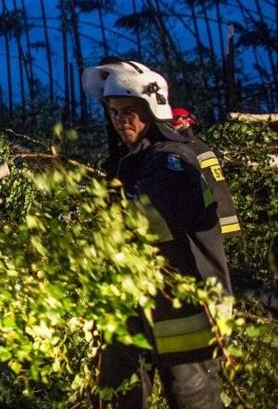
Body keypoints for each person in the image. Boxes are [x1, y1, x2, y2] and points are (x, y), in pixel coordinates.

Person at [83, 60, 232, 408]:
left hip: (186, 309)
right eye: (115, 111)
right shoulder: (130, 162)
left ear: (152, 110)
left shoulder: (173, 159)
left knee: (192, 397)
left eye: (130, 111)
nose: (122, 121)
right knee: (118, 391)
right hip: (137, 301)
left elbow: (150, 219)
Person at [169, 106, 241, 238]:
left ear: (181, 121)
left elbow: (212, 185)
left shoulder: (191, 149)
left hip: (211, 220)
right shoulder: (197, 146)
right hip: (217, 216)